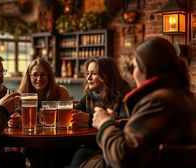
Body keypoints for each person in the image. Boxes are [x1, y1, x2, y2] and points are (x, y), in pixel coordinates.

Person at [77, 37, 196, 168]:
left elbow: (122, 158)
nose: (133, 73)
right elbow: (146, 133)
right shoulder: (181, 95)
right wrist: (118, 123)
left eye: (132, 67)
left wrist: (105, 123)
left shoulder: (158, 101)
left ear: (143, 68)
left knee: (81, 155)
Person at [8, 57, 72, 128]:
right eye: (35, 75)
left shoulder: (61, 91)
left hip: (54, 135)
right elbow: (15, 115)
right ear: (29, 76)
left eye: (43, 74)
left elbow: (68, 117)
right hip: (28, 135)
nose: (39, 78)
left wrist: (30, 118)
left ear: (49, 76)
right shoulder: (20, 94)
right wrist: (14, 120)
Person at [72, 57, 131, 128]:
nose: (88, 78)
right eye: (88, 73)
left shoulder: (124, 94)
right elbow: (75, 111)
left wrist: (89, 119)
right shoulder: (90, 94)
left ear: (107, 76)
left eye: (94, 73)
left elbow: (125, 121)